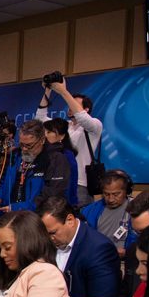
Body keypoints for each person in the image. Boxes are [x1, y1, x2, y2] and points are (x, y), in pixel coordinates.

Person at [37, 196, 120, 297]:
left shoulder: (99, 249)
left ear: (70, 220)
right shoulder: (45, 243)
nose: (48, 239)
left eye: (52, 233)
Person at [36, 78, 103, 206]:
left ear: (87, 109)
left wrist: (63, 91)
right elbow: (39, 120)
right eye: (69, 103)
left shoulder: (95, 125)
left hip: (80, 185)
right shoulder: (65, 126)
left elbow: (82, 118)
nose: (70, 107)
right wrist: (48, 90)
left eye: (74, 104)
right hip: (58, 181)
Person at [0, 119, 70, 213]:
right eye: (22, 144)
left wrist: (20, 207)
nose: (24, 149)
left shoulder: (55, 160)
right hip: (10, 214)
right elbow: (3, 180)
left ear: (42, 140)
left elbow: (53, 195)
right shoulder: (15, 155)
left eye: (29, 145)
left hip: (37, 218)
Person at [80, 169, 135, 257]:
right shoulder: (89, 211)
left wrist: (128, 252)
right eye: (106, 194)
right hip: (98, 258)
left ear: (127, 191)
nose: (111, 199)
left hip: (127, 260)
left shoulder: (137, 210)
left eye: (116, 194)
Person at [42, 118, 80, 206]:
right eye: (44, 132)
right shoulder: (45, 154)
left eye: (49, 132)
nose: (45, 135)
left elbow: (69, 185)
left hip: (60, 205)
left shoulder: (66, 155)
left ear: (62, 136)